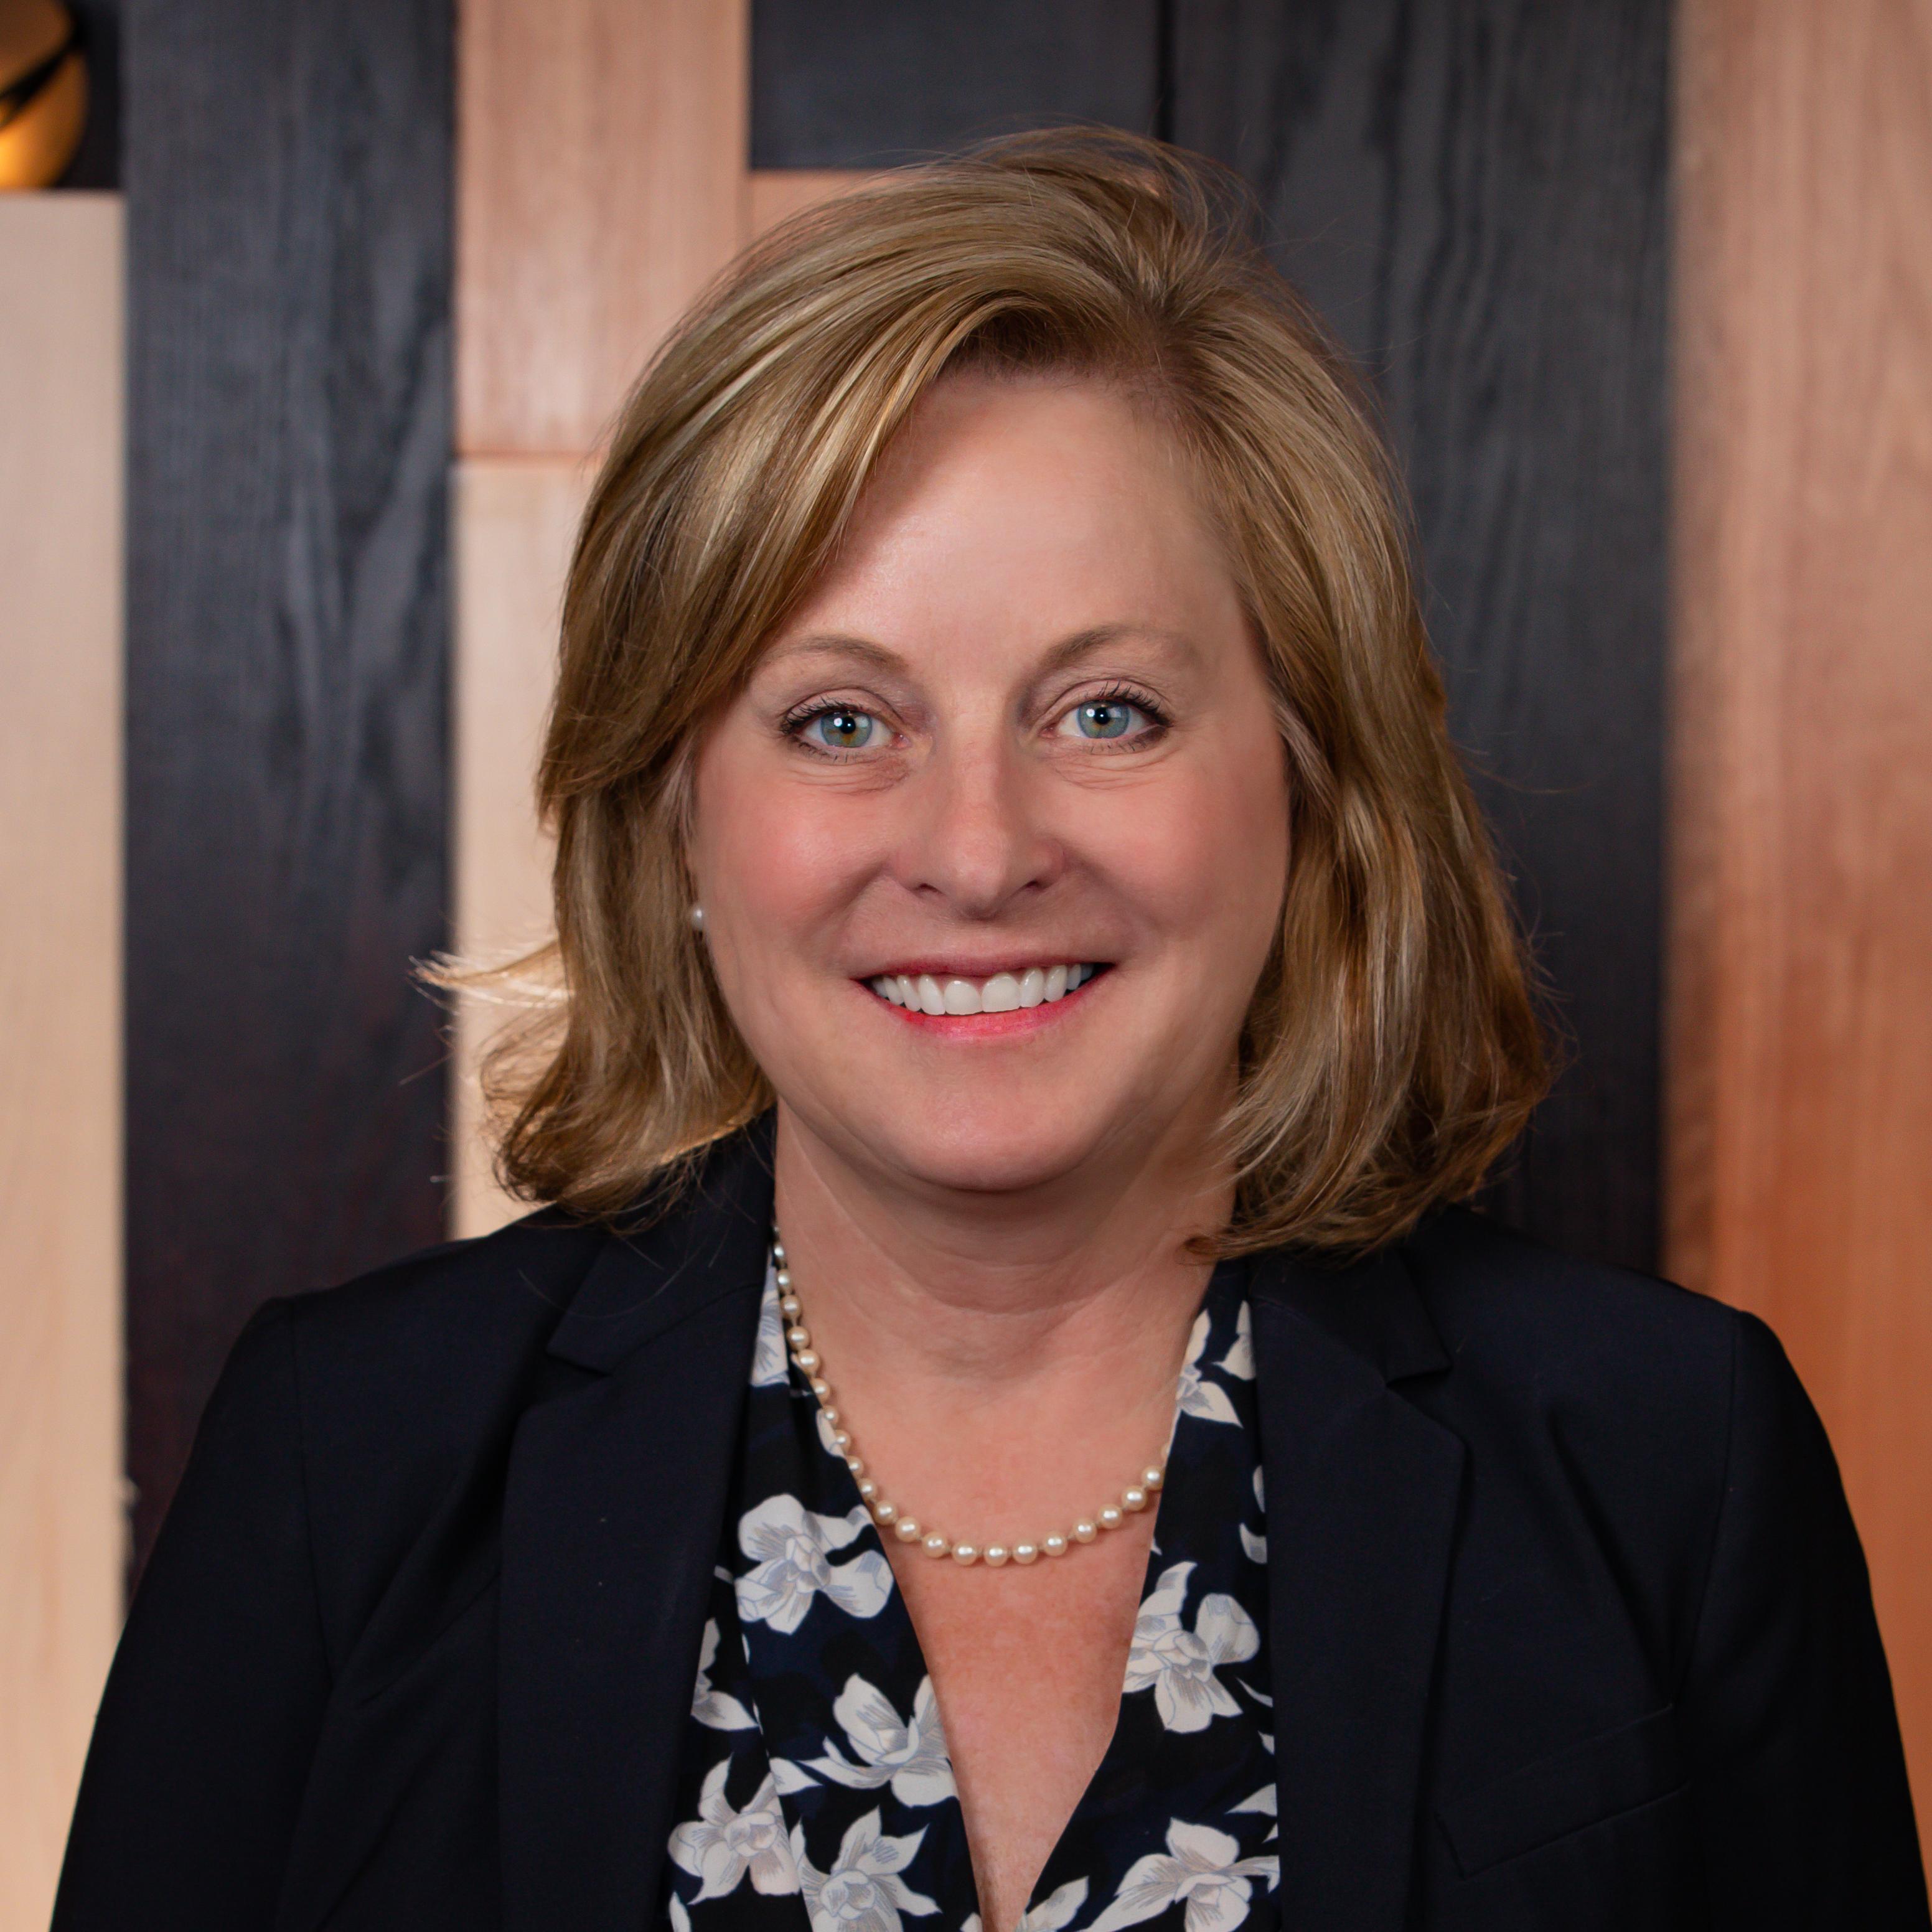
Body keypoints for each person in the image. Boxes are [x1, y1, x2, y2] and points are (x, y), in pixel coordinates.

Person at [54, 131, 1926, 1932]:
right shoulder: (351, 1456)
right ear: (675, 815)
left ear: (1309, 779)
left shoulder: (1671, 1460)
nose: (977, 851)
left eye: (1105, 711)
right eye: (841, 722)